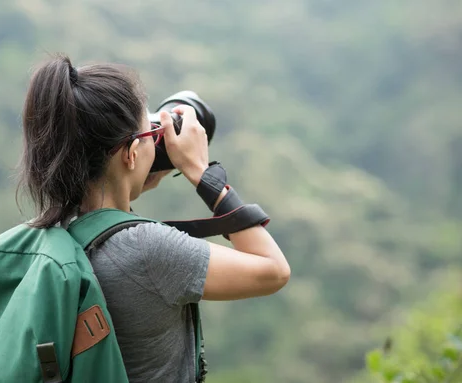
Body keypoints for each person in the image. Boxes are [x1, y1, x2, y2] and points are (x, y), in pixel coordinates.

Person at [16, 53, 291, 383]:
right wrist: (200, 172)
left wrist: (136, 175)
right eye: (150, 133)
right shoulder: (148, 251)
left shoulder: (44, 240)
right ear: (131, 155)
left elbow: (106, 208)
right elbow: (273, 270)